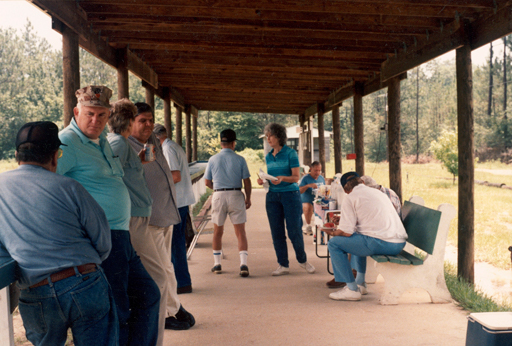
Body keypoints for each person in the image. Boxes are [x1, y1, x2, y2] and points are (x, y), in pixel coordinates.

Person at [57, 86, 160, 345]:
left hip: (121, 235)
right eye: (90, 114)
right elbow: (45, 184)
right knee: (119, 307)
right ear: (76, 111)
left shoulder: (103, 140)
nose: (96, 121)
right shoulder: (66, 142)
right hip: (100, 237)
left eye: (102, 115)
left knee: (148, 295)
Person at [0, 121, 117, 346]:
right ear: (55, 156)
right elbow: (103, 240)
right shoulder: (70, 187)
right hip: (83, 281)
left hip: (36, 291)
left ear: (17, 156)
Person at [128, 102, 195, 331]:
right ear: (129, 122)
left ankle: (173, 307)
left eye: (150, 120)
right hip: (148, 218)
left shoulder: (151, 141)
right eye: (142, 120)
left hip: (165, 213)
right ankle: (164, 315)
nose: (148, 124)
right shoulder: (124, 146)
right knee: (156, 270)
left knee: (167, 267)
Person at [326, 172, 408, 301]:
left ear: (346, 190)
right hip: (398, 244)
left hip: (382, 243)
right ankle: (360, 283)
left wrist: (332, 233)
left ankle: (352, 289)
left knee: (334, 244)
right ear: (362, 182)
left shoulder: (350, 197)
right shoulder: (378, 193)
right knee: (359, 235)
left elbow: (346, 232)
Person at [257, 123, 315, 276]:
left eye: (271, 135)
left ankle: (303, 261)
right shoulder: (268, 156)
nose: (268, 138)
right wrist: (264, 181)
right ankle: (283, 264)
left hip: (290, 195)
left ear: (279, 136)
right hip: (272, 196)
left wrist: (283, 178)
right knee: (276, 232)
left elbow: (296, 178)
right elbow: (272, 178)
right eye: (267, 135)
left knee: (294, 230)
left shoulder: (291, 154)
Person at [153, 123, 196, 293]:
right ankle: (181, 281)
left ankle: (182, 283)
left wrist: (155, 180)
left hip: (177, 202)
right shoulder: (173, 146)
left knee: (175, 244)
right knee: (177, 243)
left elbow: (175, 176)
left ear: (156, 138)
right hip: (181, 200)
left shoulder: (168, 149)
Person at [204, 129, 252, 277]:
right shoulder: (240, 159)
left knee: (218, 232)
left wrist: (217, 189)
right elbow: (247, 181)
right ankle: (243, 264)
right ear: (233, 143)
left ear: (221, 143)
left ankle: (217, 264)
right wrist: (248, 198)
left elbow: (207, 182)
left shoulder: (212, 159)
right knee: (240, 232)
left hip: (219, 195)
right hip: (236, 194)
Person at [299, 161, 325, 235]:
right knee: (307, 206)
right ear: (311, 169)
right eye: (316, 170)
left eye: (319, 170)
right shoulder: (305, 178)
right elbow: (299, 190)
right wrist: (308, 186)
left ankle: (323, 227)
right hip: (307, 201)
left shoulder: (321, 178)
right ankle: (308, 225)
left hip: (319, 200)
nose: (317, 172)